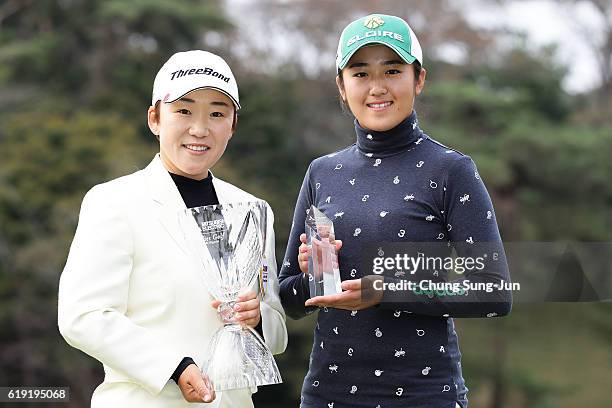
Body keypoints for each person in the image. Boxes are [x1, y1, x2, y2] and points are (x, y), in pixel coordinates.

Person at [278, 14, 512, 408]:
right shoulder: (322, 172)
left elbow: (493, 291)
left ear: (418, 79)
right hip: (328, 395)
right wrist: (309, 276)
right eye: (360, 73)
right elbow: (287, 298)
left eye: (392, 70)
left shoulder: (451, 170)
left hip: (425, 395)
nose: (377, 87)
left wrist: (386, 291)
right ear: (341, 85)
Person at [58, 50, 287, 408]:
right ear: (155, 118)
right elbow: (83, 316)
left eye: (216, 113)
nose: (200, 128)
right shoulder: (113, 201)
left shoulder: (254, 210)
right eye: (183, 110)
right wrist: (174, 368)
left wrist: (257, 319)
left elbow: (275, 330)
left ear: (232, 125)